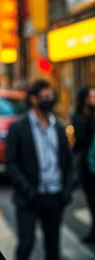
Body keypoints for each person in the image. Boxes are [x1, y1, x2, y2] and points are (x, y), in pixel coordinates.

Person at [6, 79, 74, 260]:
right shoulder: (18, 127)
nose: (50, 100)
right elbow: (11, 163)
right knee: (26, 245)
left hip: (55, 197)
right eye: (46, 97)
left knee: (53, 248)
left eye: (51, 96)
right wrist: (27, 189)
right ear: (34, 99)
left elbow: (68, 162)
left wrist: (67, 190)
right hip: (29, 197)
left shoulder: (59, 128)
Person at [72, 86, 95, 243]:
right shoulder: (79, 117)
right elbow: (83, 139)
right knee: (92, 201)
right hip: (88, 166)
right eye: (92, 96)